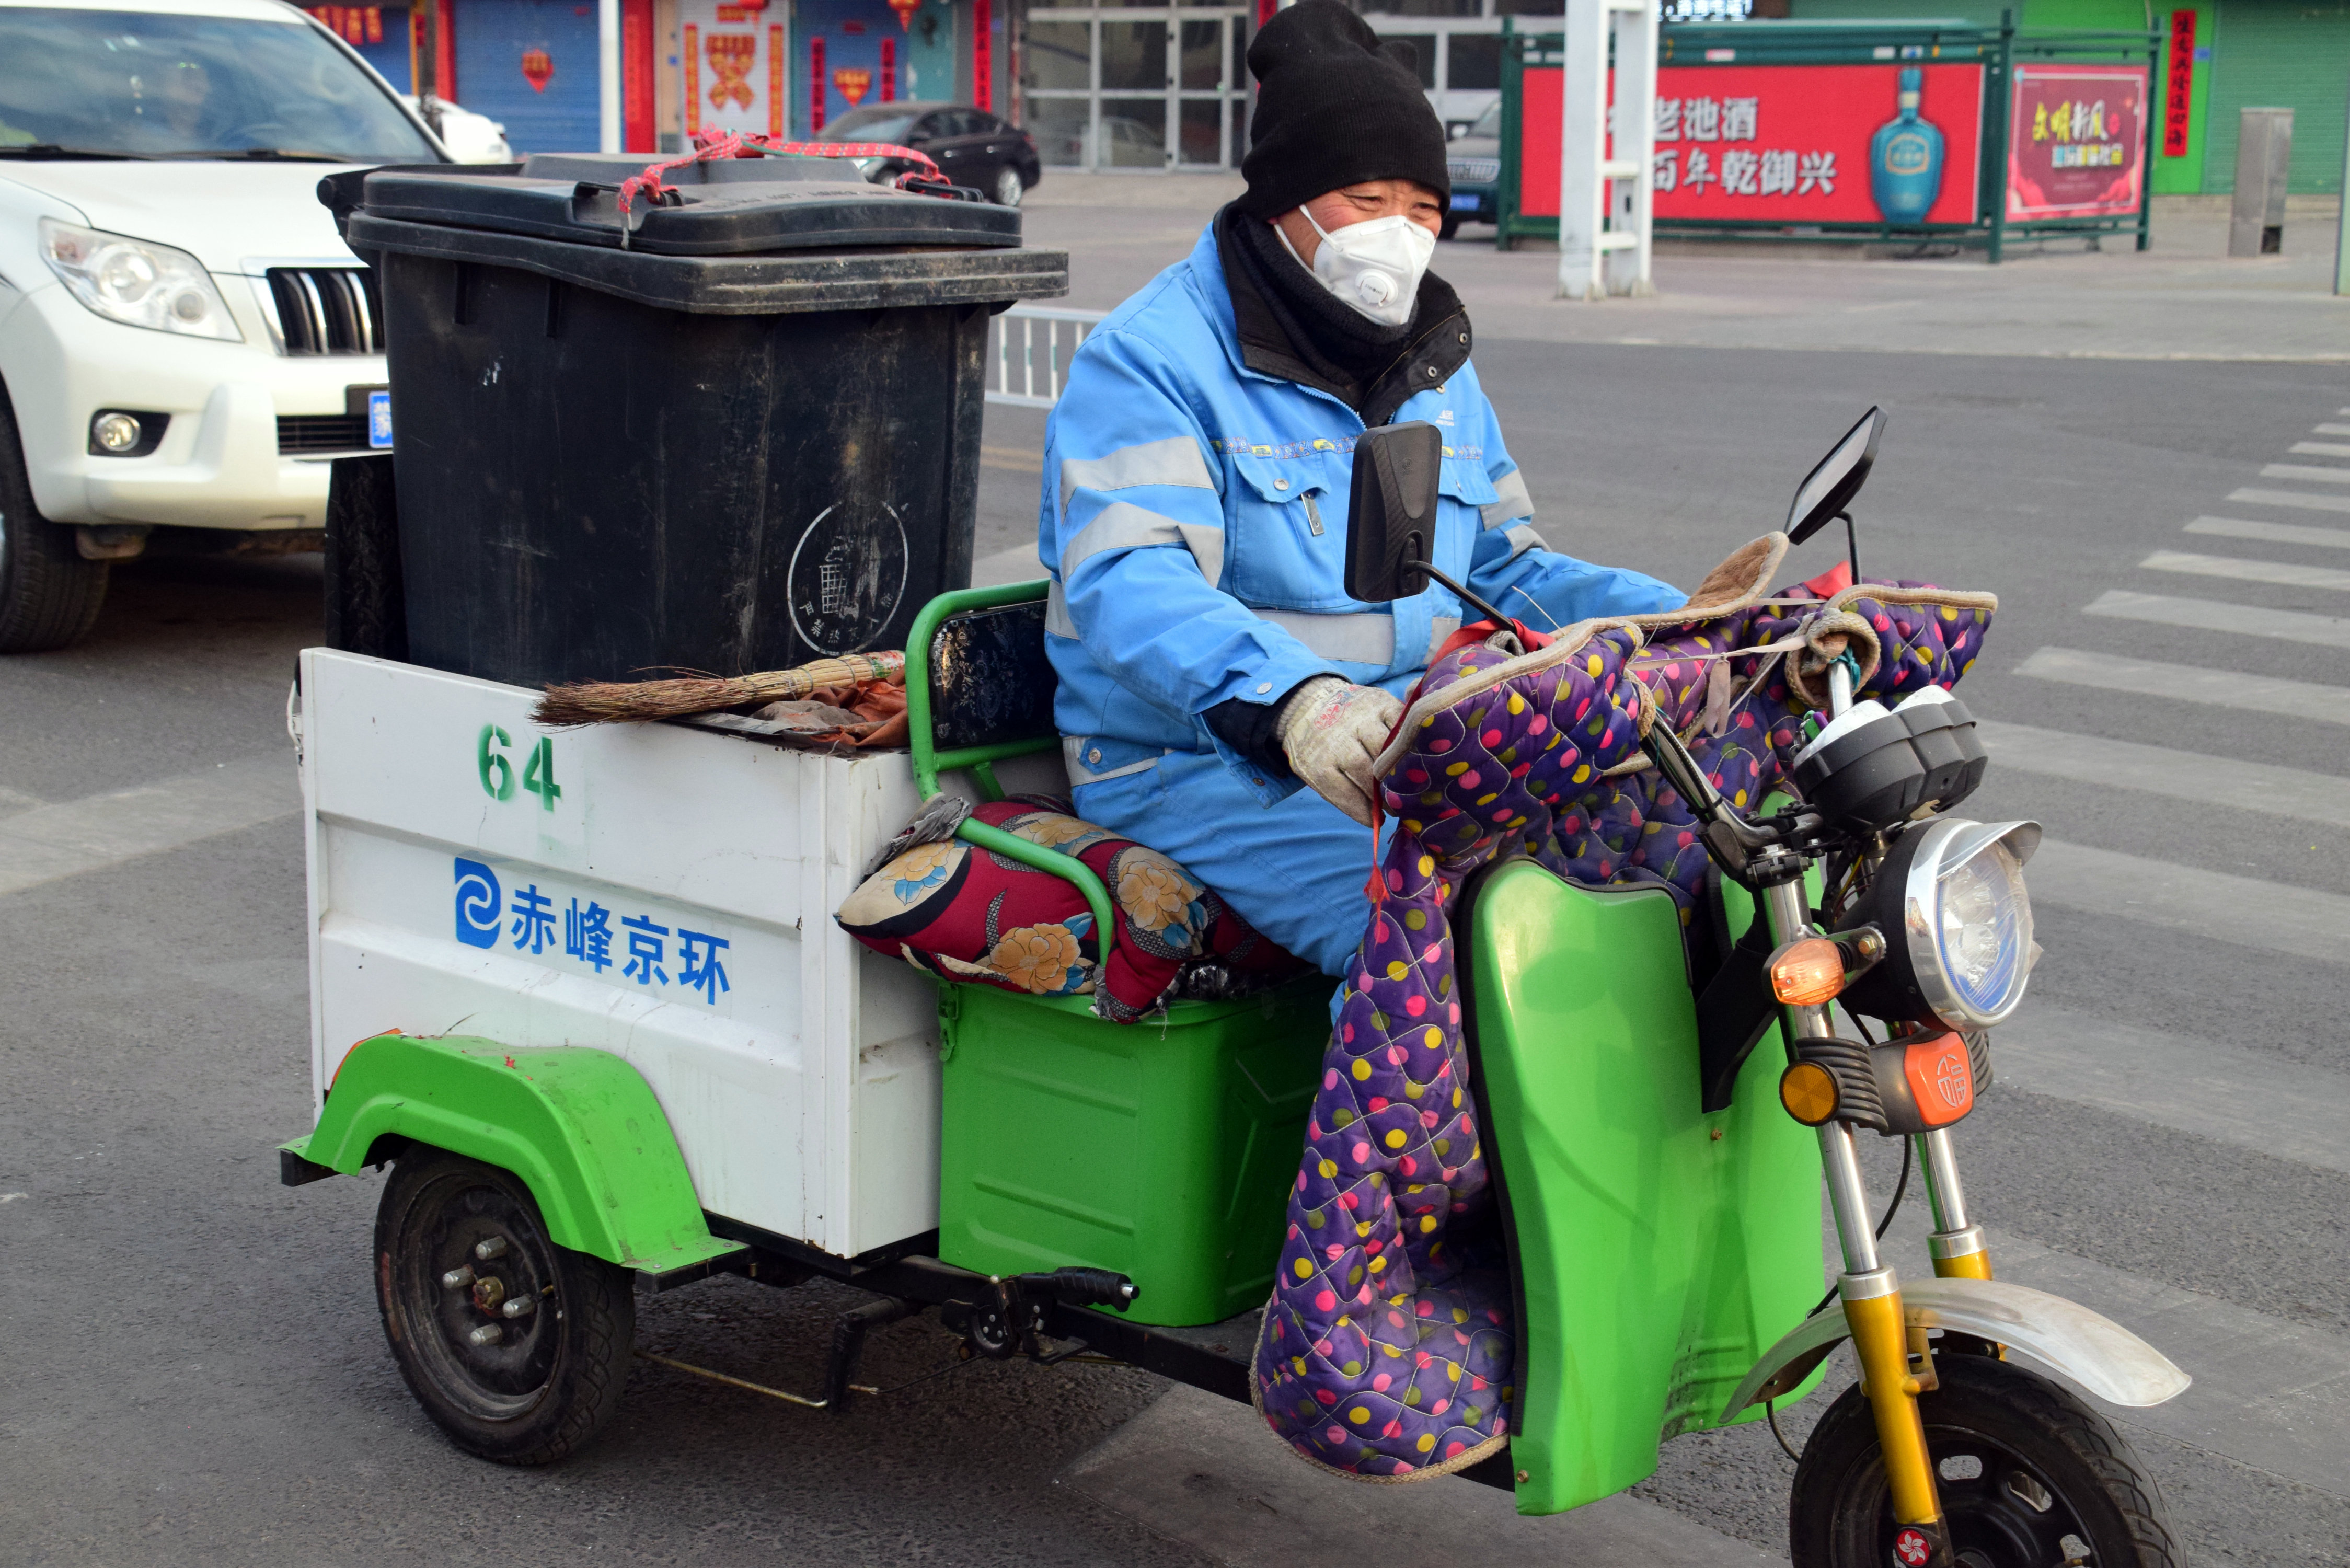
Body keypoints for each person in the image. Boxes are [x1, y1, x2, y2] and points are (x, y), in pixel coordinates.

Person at [1038, 0, 1685, 982]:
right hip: (1193, 764)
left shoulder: (1434, 364)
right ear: (1284, 205)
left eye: (1423, 210)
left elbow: (1507, 572)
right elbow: (1131, 582)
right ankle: (1392, 1143)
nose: (1400, 236)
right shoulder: (1150, 358)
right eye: (1365, 201)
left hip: (1404, 746)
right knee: (1449, 947)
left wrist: (1698, 623)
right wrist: (1295, 702)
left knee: (1659, 872)